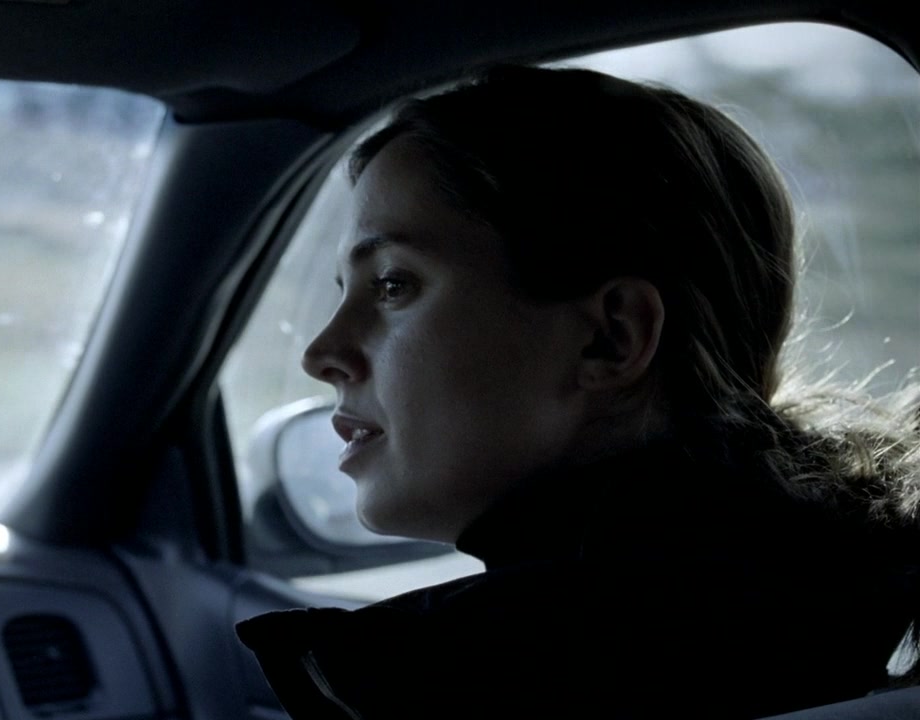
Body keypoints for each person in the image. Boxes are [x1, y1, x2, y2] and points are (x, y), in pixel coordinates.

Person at [235, 65, 920, 719]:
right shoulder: (816, 606)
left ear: (610, 339)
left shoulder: (510, 688)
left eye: (392, 284)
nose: (320, 354)